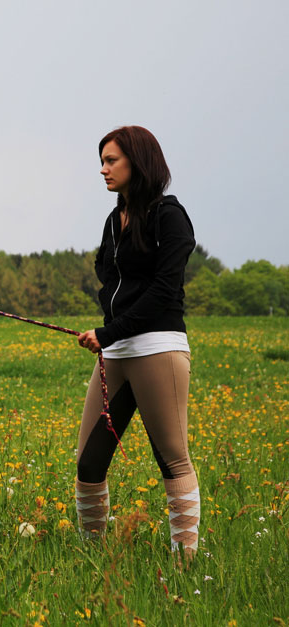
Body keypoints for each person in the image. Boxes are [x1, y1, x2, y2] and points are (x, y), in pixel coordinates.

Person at [74, 126, 200, 559]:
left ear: (138, 162)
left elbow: (166, 290)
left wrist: (108, 330)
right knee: (88, 464)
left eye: (112, 161)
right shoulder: (115, 219)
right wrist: (109, 329)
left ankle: (185, 564)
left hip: (158, 348)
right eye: (103, 160)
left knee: (172, 460)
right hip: (117, 351)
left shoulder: (170, 216)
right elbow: (107, 272)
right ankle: (91, 555)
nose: (103, 169)